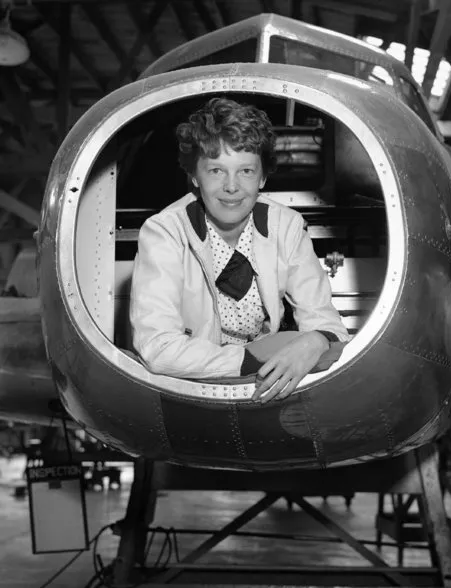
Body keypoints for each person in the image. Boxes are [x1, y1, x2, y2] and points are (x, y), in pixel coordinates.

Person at [130, 97, 349, 403]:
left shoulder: (287, 225)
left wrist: (314, 341)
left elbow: (329, 327)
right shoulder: (164, 231)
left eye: (245, 171)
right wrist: (250, 360)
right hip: (196, 391)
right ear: (194, 176)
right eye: (216, 171)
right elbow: (158, 349)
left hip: (270, 387)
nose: (231, 187)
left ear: (262, 177)